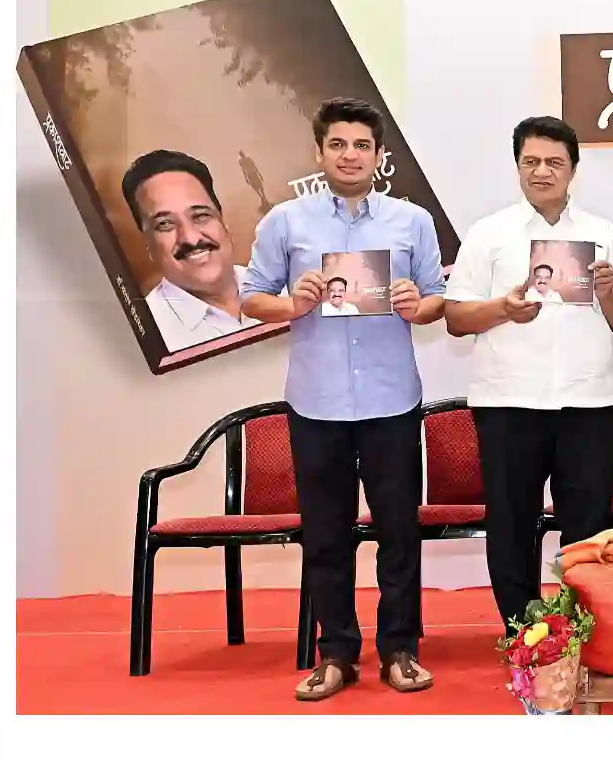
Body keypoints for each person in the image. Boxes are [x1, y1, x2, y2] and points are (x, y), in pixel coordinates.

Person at [241, 97, 447, 701]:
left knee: (398, 532)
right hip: (316, 402)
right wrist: (293, 304)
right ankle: (335, 655)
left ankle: (400, 649)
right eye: (338, 144)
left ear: (379, 155)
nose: (349, 155)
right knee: (325, 534)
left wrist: (417, 305)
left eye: (361, 145)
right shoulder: (285, 221)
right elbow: (251, 297)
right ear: (319, 153)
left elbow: (438, 297)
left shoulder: (411, 220)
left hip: (391, 400)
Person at [443, 116, 613, 629]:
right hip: (509, 402)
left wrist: (609, 291)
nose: (541, 171)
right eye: (531, 161)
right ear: (517, 166)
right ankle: (524, 634)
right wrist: (502, 309)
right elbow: (456, 317)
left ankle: (580, 631)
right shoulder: (489, 233)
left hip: (587, 403)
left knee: (587, 526)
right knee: (511, 523)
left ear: (573, 169)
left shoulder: (602, 233)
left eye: (554, 162)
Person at [122, 149, 260, 350]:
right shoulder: (145, 339)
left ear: (222, 222)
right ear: (148, 245)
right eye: (165, 224)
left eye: (201, 216)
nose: (191, 238)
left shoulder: (287, 287)